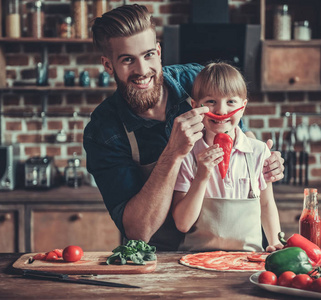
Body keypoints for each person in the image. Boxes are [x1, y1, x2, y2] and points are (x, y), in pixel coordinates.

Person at [84, 4, 285, 250]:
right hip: (157, 260)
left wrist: (262, 159)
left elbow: (237, 131)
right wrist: (173, 154)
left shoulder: (197, 81)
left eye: (148, 55)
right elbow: (138, 232)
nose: (142, 70)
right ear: (108, 65)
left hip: (222, 251)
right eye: (128, 60)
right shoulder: (104, 131)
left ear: (158, 52)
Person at [172, 62, 283, 252]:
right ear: (195, 106)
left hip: (248, 260)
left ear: (242, 107)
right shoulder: (187, 155)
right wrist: (201, 176)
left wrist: (275, 242)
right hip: (197, 260)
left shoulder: (258, 151)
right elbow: (183, 224)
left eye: (230, 101)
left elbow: (266, 204)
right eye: (211, 101)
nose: (221, 111)